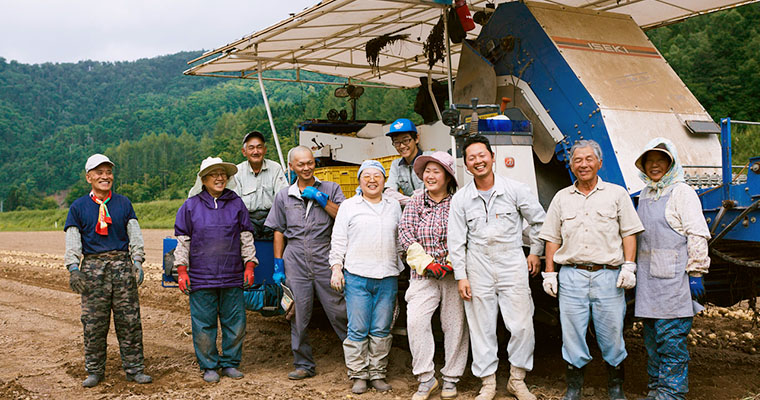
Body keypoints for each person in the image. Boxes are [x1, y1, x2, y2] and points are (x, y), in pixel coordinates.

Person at [539, 140, 644, 400]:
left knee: (612, 334)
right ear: (572, 165)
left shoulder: (616, 194)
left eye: (588, 159)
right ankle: (574, 388)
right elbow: (552, 238)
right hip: (572, 275)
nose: (583, 164)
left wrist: (629, 267)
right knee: (572, 333)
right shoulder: (561, 197)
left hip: (608, 276)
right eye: (577, 160)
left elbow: (629, 233)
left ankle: (615, 387)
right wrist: (550, 273)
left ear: (599, 162)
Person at [448, 135, 546, 400]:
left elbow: (540, 222)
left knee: (522, 324)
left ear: (493, 157)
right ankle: (488, 383)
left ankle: (517, 379)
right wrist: (461, 276)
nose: (478, 161)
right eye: (472, 158)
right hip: (477, 263)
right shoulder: (461, 199)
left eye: (482, 155)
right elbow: (456, 241)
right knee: (481, 326)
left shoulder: (516, 189)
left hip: (511, 261)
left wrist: (535, 252)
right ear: (466, 166)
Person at [64, 153, 152, 388]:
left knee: (130, 321)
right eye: (99, 172)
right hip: (93, 269)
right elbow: (73, 239)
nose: (105, 176)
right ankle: (94, 371)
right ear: (88, 177)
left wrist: (138, 261)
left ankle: (134, 369)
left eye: (108, 172)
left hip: (122, 267)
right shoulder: (78, 207)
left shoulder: (124, 203)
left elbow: (134, 233)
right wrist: (73, 268)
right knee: (94, 323)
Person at [633, 138, 710, 400]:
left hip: (674, 282)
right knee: (652, 342)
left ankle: (672, 394)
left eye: (660, 161)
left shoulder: (682, 192)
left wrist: (696, 273)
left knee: (672, 343)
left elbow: (697, 234)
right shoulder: (645, 193)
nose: (654, 166)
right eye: (649, 161)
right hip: (648, 282)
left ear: (671, 163)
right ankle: (655, 390)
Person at [264, 145, 348, 380]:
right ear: (291, 167)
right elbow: (279, 231)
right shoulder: (283, 195)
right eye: (300, 164)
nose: (307, 168)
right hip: (296, 258)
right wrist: (278, 264)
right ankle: (303, 364)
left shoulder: (331, 188)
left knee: (339, 310)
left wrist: (322, 200)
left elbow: (343, 216)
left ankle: (357, 360)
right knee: (298, 313)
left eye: (310, 162)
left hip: (325, 255)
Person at [173, 157, 257, 383]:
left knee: (235, 323)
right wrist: (182, 270)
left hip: (232, 275)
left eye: (223, 174)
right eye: (213, 174)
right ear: (203, 179)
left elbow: (246, 236)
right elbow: (183, 240)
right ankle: (209, 365)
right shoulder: (190, 206)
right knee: (203, 325)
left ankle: (230, 363)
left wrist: (249, 264)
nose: (220, 178)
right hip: (201, 277)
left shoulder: (236, 203)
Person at [398, 151, 469, 400]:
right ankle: (426, 378)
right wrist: (427, 264)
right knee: (416, 321)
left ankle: (450, 377)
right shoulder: (416, 202)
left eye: (435, 171)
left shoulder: (459, 203)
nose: (430, 176)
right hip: (423, 275)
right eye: (427, 171)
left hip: (453, 275)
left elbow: (465, 233)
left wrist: (451, 262)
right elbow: (405, 234)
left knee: (455, 325)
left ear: (448, 177)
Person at [329, 160, 403, 394]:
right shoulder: (349, 206)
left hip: (387, 276)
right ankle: (359, 374)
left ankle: (378, 373)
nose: (372, 180)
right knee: (358, 328)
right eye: (367, 176)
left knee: (381, 328)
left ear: (384, 180)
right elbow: (338, 240)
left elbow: (400, 240)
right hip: (357, 276)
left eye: (377, 176)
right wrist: (336, 267)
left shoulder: (393, 206)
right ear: (359, 180)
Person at [232, 130, 288, 240]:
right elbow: (235, 203)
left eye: (259, 147)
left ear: (265, 150)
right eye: (251, 148)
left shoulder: (275, 168)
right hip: (247, 218)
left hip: (271, 217)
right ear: (244, 152)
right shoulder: (237, 171)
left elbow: (282, 197)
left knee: (282, 231)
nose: (256, 151)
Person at [384, 118, 431, 207]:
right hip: (411, 211)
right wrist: (410, 202)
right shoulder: (396, 165)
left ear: (416, 139)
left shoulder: (430, 158)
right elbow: (389, 190)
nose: (401, 146)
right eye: (397, 142)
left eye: (405, 140)